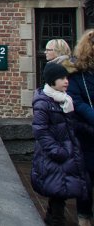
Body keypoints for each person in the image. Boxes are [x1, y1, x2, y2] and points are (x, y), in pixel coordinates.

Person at [33, 62, 90, 226]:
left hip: (66, 151)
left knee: (59, 191)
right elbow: (40, 131)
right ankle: (56, 220)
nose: (66, 81)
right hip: (55, 155)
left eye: (66, 77)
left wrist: (87, 129)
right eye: (61, 78)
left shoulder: (65, 100)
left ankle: (52, 218)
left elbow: (70, 125)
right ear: (52, 80)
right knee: (59, 188)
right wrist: (58, 151)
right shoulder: (43, 102)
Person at [66, 30, 94, 226]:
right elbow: (76, 102)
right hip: (86, 135)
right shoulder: (78, 75)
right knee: (86, 181)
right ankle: (84, 217)